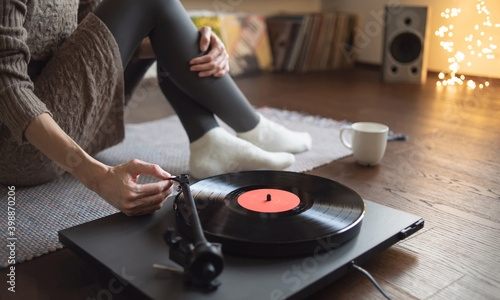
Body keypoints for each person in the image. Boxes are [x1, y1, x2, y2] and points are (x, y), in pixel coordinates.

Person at [0, 0, 311, 216]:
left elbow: (88, 48)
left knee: (162, 25)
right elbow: (9, 89)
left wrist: (185, 42)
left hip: (74, 123)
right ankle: (253, 128)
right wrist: (97, 177)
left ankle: (208, 139)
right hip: (22, 147)